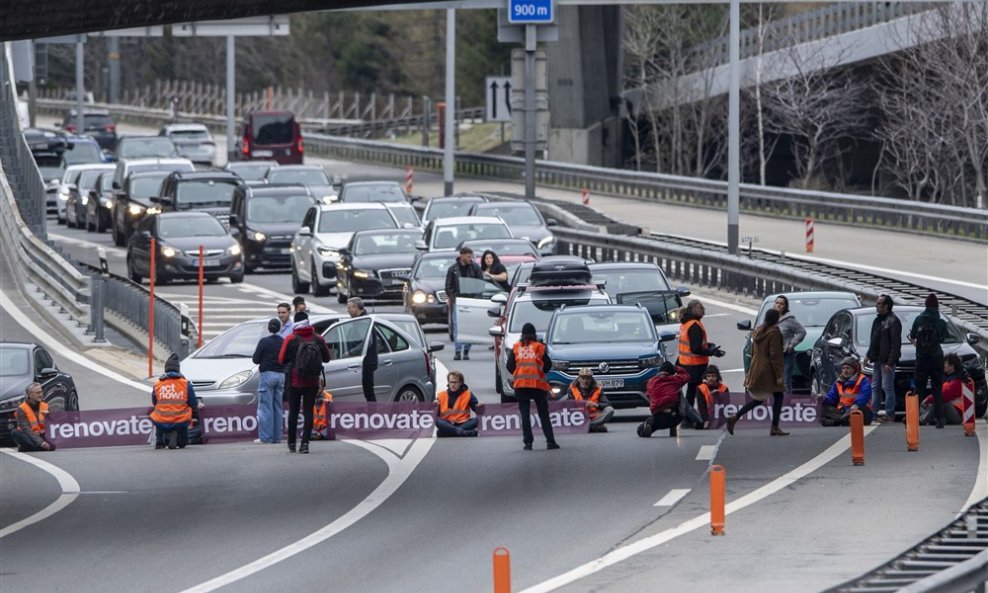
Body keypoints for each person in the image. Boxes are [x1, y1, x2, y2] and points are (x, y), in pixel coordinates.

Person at [727, 308, 789, 436]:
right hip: (769, 370)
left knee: (759, 399)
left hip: (758, 367)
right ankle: (774, 426)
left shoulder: (758, 330)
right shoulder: (774, 332)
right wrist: (778, 375)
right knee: (777, 396)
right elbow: (775, 355)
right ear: (776, 319)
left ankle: (736, 417)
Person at [278, 313, 331, 454]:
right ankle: (305, 444)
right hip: (312, 381)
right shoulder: (318, 338)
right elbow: (327, 358)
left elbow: (281, 359)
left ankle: (291, 443)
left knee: (294, 412)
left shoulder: (291, 338)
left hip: (294, 380)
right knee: (308, 412)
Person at [507, 322, 559, 450]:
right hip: (538, 385)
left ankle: (528, 443)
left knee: (525, 415)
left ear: (522, 334)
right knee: (543, 414)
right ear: (534, 334)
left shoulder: (516, 347)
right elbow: (547, 365)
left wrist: (518, 373)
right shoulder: (539, 347)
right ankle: (550, 442)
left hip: (521, 386)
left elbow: (510, 366)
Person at [677, 300, 725, 428]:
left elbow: (696, 344)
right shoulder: (694, 325)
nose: (703, 309)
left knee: (692, 391)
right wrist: (711, 352)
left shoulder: (687, 324)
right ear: (693, 310)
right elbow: (695, 348)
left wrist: (709, 347)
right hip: (695, 365)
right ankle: (695, 419)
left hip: (686, 364)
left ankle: (690, 418)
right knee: (698, 391)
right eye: (700, 307)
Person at [909, 293, 949, 428]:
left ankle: (913, 417)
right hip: (937, 357)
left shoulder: (919, 319)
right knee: (937, 388)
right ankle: (940, 419)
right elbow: (943, 338)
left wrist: (920, 346)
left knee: (919, 388)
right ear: (937, 306)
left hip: (921, 358)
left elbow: (913, 336)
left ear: (925, 305)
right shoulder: (941, 322)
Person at [864, 294, 902, 423]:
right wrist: (869, 355)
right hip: (877, 359)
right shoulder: (878, 320)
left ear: (886, 306)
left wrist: (890, 362)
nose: (877, 306)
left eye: (879, 304)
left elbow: (895, 345)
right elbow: (874, 340)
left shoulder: (893, 321)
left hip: (886, 361)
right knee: (875, 386)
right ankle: (873, 413)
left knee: (887, 387)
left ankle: (890, 413)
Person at [150, 354, 199, 449]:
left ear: (166, 369)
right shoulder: (186, 384)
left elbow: (154, 402)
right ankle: (179, 438)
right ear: (178, 369)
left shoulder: (158, 385)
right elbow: (193, 403)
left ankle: (160, 442)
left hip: (162, 421)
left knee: (157, 413)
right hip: (180, 420)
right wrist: (195, 416)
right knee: (183, 444)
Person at [445, 246, 483, 361]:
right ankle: (457, 350)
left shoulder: (475, 268)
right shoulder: (453, 269)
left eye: (471, 256)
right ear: (461, 255)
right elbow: (448, 286)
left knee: (469, 326)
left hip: (471, 301)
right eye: (468, 256)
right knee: (457, 326)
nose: (470, 259)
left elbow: (480, 284)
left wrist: (476, 298)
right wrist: (454, 297)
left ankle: (466, 350)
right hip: (458, 301)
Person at [252, 318, 285, 444]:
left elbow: (256, 359)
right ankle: (277, 437)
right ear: (279, 328)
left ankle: (265, 437)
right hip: (281, 375)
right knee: (277, 406)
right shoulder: (283, 341)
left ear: (268, 328)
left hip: (267, 375)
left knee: (265, 407)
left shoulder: (264, 342)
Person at [638, 362, 691, 438]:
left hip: (658, 416)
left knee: (644, 428)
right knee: (679, 394)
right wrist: (676, 367)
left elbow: (647, 394)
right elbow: (687, 376)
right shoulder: (675, 379)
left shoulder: (651, 382)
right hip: (675, 416)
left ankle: (646, 426)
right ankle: (673, 426)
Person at [820, 357, 874, 426]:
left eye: (848, 368)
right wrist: (823, 399)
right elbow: (832, 398)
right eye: (843, 368)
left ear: (854, 369)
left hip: (858, 410)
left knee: (860, 408)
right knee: (821, 408)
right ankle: (840, 420)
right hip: (842, 412)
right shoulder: (838, 382)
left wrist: (856, 405)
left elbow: (864, 395)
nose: (845, 371)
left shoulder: (863, 380)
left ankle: (838, 421)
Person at [920, 353, 971, 426]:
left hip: (958, 415)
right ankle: (929, 419)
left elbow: (944, 395)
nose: (943, 365)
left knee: (940, 402)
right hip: (953, 412)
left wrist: (928, 400)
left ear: (952, 366)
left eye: (945, 363)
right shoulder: (949, 378)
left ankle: (922, 420)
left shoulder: (957, 381)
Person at [347, 297, 378, 402]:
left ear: (356, 308)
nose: (348, 311)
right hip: (364, 362)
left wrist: (350, 352)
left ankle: (373, 415)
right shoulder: (361, 320)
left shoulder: (364, 322)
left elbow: (367, 343)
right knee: (367, 391)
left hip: (366, 362)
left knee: (368, 392)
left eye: (350, 308)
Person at [564, 367, 615, 432]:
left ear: (591, 379)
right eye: (583, 378)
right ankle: (592, 427)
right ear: (579, 379)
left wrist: (596, 405)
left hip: (593, 417)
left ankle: (588, 426)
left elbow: (607, 404)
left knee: (610, 410)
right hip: (578, 416)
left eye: (588, 378)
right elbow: (568, 405)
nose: (585, 381)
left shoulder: (598, 388)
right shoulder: (571, 388)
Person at [774, 295, 806, 395]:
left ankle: (786, 405)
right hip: (773, 355)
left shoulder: (789, 319)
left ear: (785, 306)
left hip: (786, 355)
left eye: (781, 304)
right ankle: (774, 404)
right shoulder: (771, 317)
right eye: (777, 303)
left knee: (785, 382)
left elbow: (801, 332)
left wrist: (791, 344)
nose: (778, 305)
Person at [10, 383, 56, 452]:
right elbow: (26, 429)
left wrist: (48, 417)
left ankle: (30, 447)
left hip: (42, 435)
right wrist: (41, 443)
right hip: (29, 435)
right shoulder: (21, 409)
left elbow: (54, 426)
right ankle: (39, 447)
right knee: (15, 433)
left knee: (53, 443)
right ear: (30, 395)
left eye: (41, 392)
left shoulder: (45, 406)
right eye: (38, 393)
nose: (41, 395)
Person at [435, 370, 480, 437]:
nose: (453, 385)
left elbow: (478, 411)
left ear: (461, 382)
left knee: (476, 420)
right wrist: (435, 407)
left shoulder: (468, 394)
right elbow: (436, 414)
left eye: (455, 382)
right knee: (437, 421)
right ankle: (463, 433)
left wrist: (480, 407)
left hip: (463, 422)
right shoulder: (441, 395)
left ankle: (450, 432)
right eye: (451, 382)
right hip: (447, 423)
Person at [696, 365, 729, 429]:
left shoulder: (724, 388)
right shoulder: (701, 388)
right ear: (706, 377)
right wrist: (706, 420)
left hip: (719, 415)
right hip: (705, 415)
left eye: (713, 376)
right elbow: (701, 406)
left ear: (717, 377)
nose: (711, 378)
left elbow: (727, 406)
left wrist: (718, 396)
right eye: (709, 376)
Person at [311, 373, 334, 440]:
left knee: (332, 428)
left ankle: (319, 435)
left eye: (318, 388)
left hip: (324, 428)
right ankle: (316, 435)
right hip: (312, 428)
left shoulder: (328, 397)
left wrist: (331, 406)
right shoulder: (308, 397)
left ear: (322, 388)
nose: (316, 390)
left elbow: (334, 417)